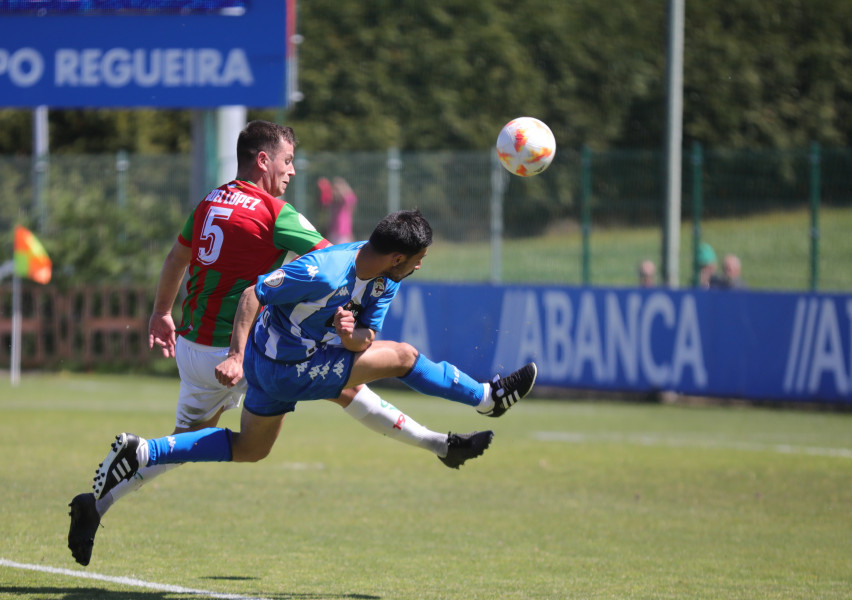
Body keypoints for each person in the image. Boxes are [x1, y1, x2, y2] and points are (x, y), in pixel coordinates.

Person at [67, 123, 480, 567]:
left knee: (190, 442)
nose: (292, 172)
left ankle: (98, 502)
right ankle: (438, 444)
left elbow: (178, 257)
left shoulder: (209, 201)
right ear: (262, 160)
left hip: (193, 347)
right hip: (246, 349)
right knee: (339, 383)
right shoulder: (275, 212)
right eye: (287, 161)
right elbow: (334, 261)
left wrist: (161, 311)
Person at [90, 210, 538, 513]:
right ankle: (486, 397)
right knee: (404, 358)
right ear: (399, 257)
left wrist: (351, 335)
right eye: (418, 260)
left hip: (292, 365)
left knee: (250, 449)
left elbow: (366, 338)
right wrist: (235, 355)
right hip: (279, 366)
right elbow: (252, 294)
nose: (419, 267)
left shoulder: (386, 278)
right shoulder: (322, 269)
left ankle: (145, 450)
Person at [318, 175, 357, 243]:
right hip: (333, 230)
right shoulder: (333, 201)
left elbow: (348, 197)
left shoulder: (347, 199)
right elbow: (324, 203)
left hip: (343, 231)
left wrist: (341, 188)